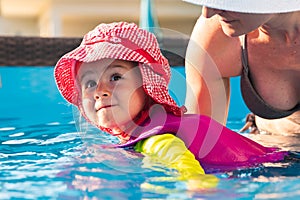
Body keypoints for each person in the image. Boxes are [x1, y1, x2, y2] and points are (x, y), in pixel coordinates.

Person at [54, 22, 287, 183]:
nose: (100, 92)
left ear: (146, 86)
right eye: (89, 83)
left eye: (115, 77)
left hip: (275, 172)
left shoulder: (157, 139)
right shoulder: (146, 132)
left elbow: (190, 173)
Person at [183, 0, 300, 135]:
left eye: (227, 2)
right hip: (270, 144)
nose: (207, 13)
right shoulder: (215, 35)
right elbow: (200, 140)